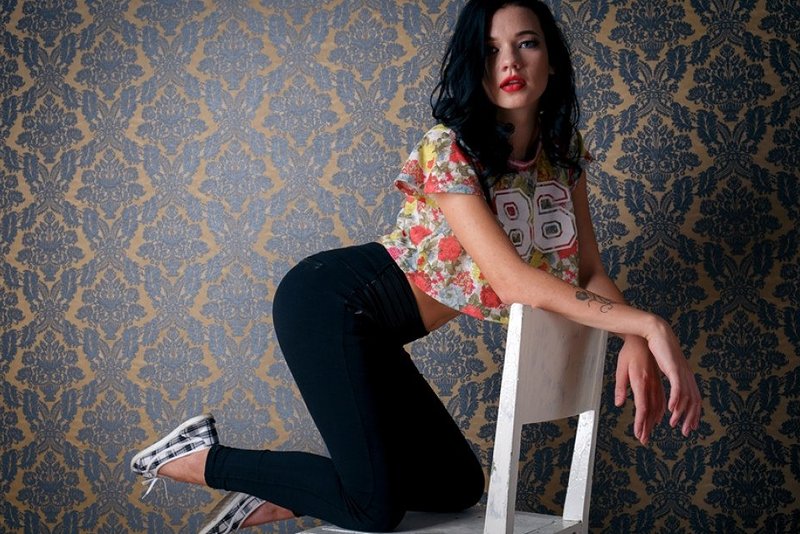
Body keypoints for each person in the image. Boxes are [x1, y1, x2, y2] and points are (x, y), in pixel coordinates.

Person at [129, 1, 702, 532]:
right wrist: (647, 324)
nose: (509, 61)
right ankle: (201, 458)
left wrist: (631, 335)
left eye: (526, 43)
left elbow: (586, 269)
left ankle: (293, 491)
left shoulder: (561, 153)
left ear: (551, 60)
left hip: (379, 333)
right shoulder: (450, 149)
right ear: (474, 66)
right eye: (490, 50)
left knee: (455, 486)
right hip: (329, 303)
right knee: (374, 508)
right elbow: (511, 282)